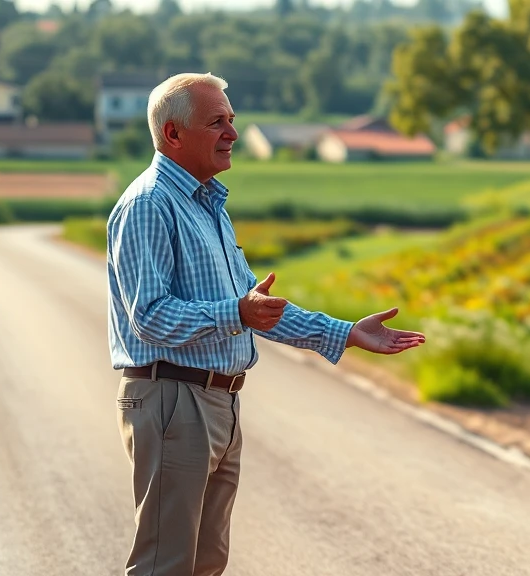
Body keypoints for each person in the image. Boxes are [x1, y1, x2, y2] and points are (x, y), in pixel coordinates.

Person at [106, 72, 426, 576]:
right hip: (173, 399)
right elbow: (148, 317)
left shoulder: (208, 205)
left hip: (218, 402)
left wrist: (343, 332)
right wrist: (235, 313)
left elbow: (257, 306)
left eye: (231, 120)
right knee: (164, 565)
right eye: (217, 122)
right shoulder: (150, 204)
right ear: (173, 135)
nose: (232, 133)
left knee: (207, 561)